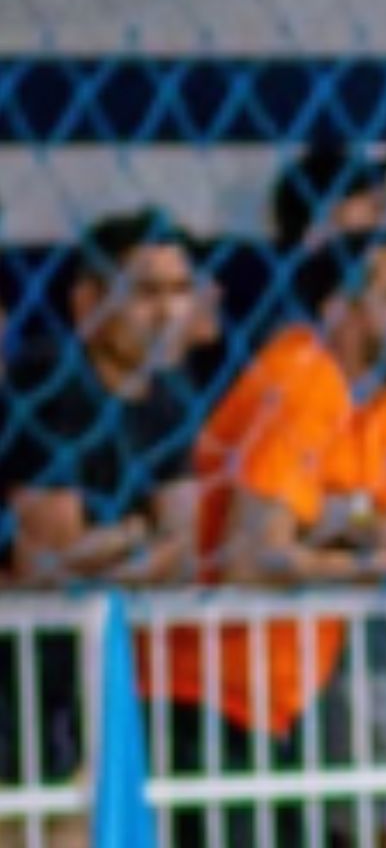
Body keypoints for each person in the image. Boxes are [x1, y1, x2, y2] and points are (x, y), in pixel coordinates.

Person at [137, 228, 386, 848]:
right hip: (199, 687)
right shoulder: (303, 375)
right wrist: (358, 553)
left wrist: (333, 525)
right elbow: (252, 556)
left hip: (286, 692)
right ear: (339, 312)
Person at [0, 208, 204, 848]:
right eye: (145, 291)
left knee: (77, 819)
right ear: (89, 301)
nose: (168, 311)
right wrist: (140, 535)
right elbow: (46, 560)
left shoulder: (169, 397)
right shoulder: (51, 384)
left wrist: (115, 545)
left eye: (179, 289)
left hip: (77, 666)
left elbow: (184, 552)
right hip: (15, 665)